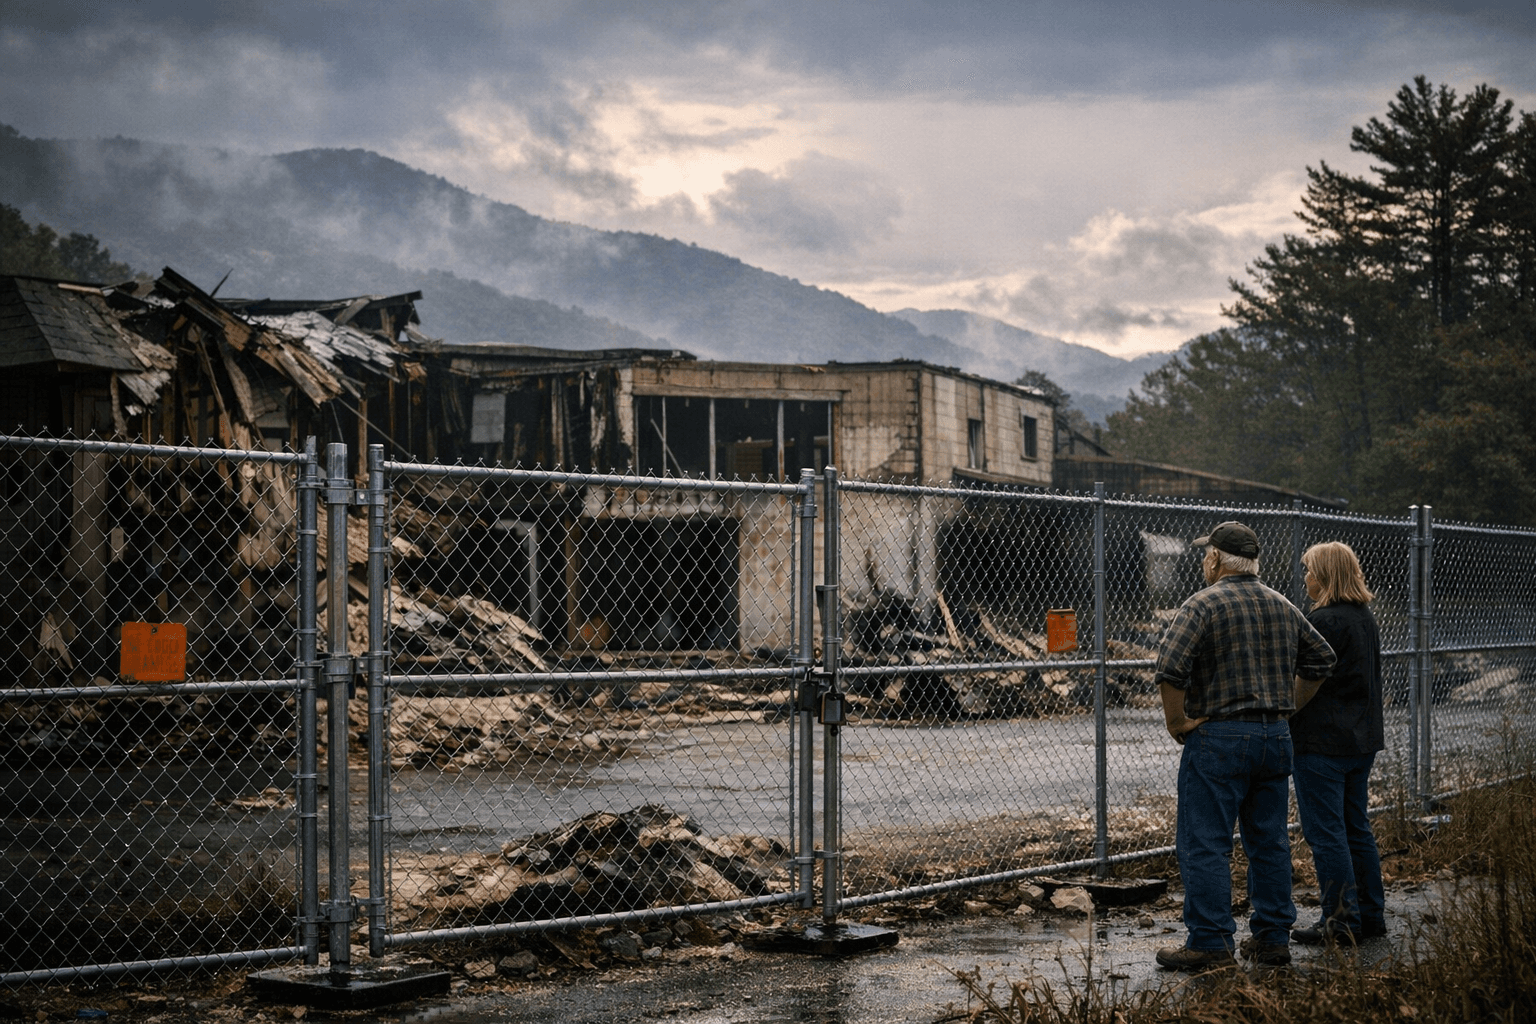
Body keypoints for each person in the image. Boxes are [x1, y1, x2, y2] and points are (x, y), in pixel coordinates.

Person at [1154, 521, 1336, 972]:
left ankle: (1211, 942)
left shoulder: (1201, 604)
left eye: (1205, 555)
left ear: (1215, 559)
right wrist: (1286, 707)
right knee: (1269, 841)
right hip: (1274, 739)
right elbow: (1321, 658)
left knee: (1206, 842)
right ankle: (1273, 937)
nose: (1203, 561)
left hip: (1219, 737)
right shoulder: (1283, 604)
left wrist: (1177, 721)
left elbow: (1171, 668)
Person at [1289, 541, 1388, 944]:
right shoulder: (1364, 617)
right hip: (1360, 740)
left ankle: (1340, 922)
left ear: (1325, 576)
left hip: (1322, 743)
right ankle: (1369, 915)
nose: (1305, 578)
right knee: (1355, 827)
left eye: (1310, 571)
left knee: (1326, 832)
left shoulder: (1324, 621)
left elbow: (1306, 678)